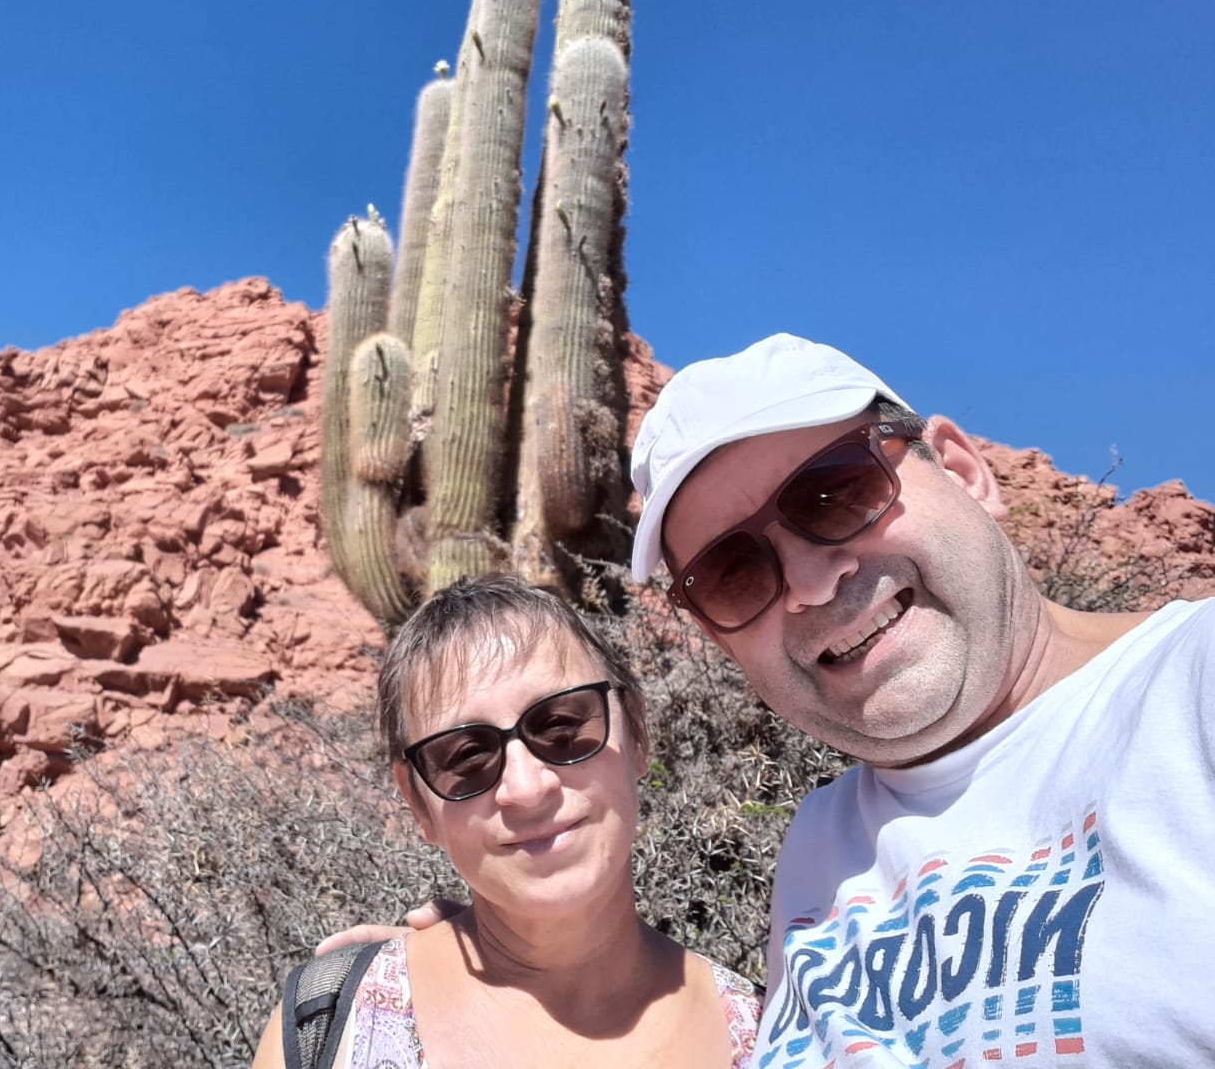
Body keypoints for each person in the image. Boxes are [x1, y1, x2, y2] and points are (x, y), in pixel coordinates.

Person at [331, 334, 1214, 1066]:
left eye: (837, 493)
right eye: (731, 569)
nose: (806, 581)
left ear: (964, 468)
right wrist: (501, 949)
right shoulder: (822, 854)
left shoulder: (1190, 691)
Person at [255, 574, 761, 1069]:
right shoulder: (326, 1026)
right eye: (465, 756)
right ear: (416, 802)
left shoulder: (777, 1039)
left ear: (637, 732)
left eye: (562, 726)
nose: (526, 788)